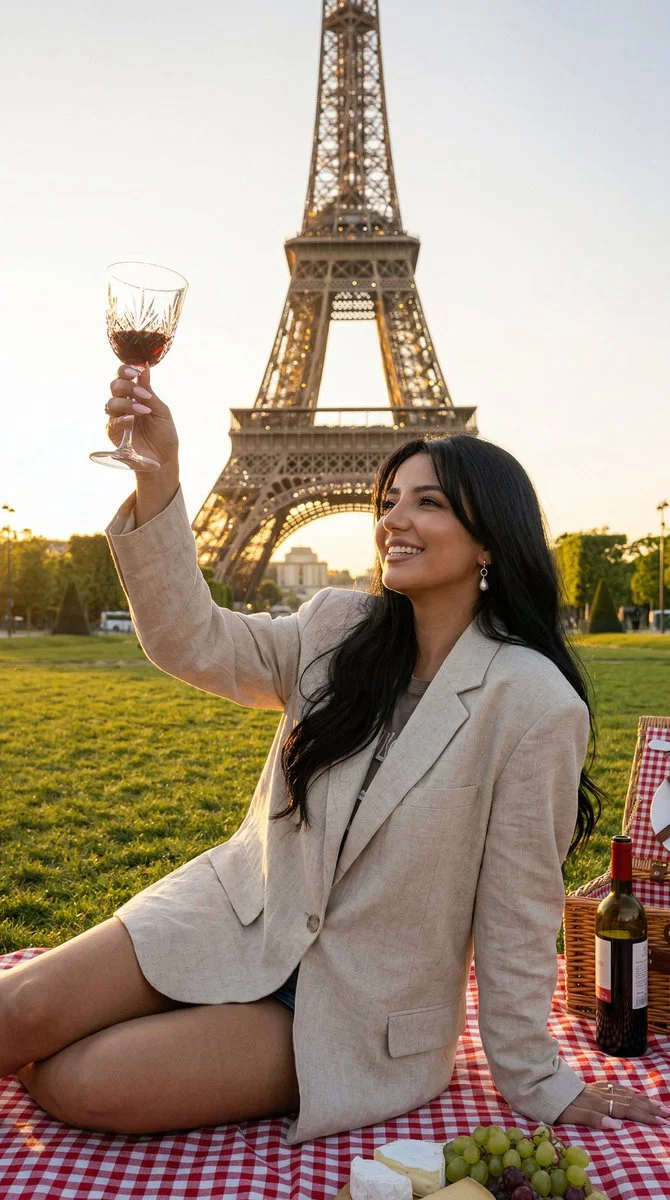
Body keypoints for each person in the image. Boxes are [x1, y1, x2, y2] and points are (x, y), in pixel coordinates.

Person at [5, 366, 667, 1143]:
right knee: (22, 1014)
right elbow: (193, 638)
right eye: (389, 501)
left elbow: (518, 910)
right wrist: (161, 477)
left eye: (429, 502)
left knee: (83, 1080)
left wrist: (533, 1076)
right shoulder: (335, 629)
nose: (394, 519)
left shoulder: (534, 702)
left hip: (355, 1008)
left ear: (490, 538)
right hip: (236, 916)